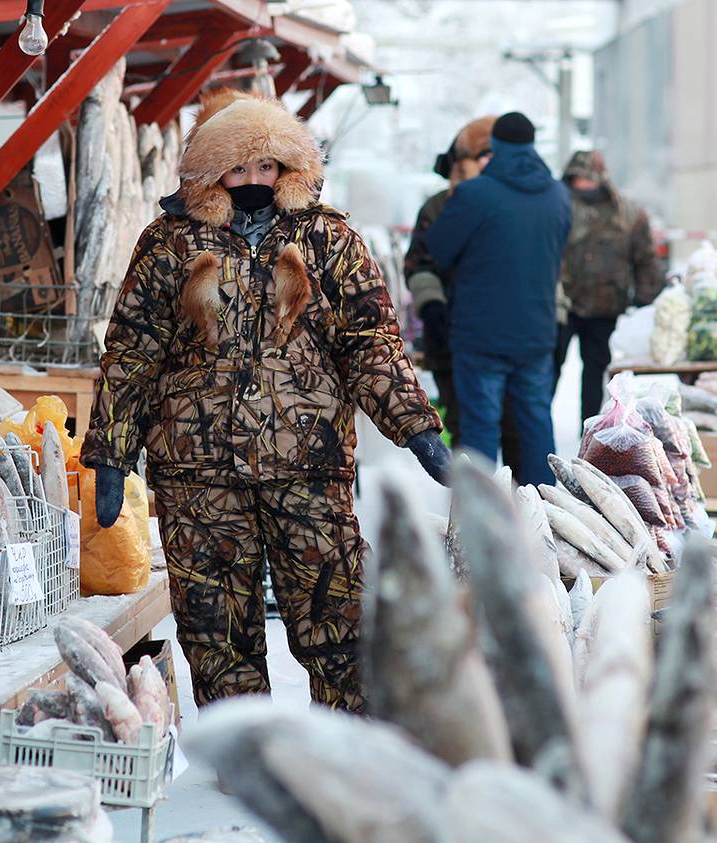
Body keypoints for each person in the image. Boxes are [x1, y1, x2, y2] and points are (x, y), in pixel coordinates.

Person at [81, 90, 447, 713]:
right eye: (238, 168)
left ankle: (344, 737)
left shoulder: (329, 240)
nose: (254, 181)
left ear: (288, 169)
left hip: (309, 464)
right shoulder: (169, 243)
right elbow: (132, 353)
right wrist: (113, 451)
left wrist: (416, 427)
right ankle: (242, 746)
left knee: (336, 610)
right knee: (214, 622)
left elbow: (370, 342)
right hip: (197, 474)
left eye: (266, 167)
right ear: (212, 171)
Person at [424, 112, 571, 484]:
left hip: (479, 335)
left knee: (479, 434)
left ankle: (479, 529)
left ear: (498, 146)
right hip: (536, 333)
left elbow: (437, 248)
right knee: (537, 429)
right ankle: (546, 518)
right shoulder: (558, 195)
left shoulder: (475, 195)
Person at [404, 115, 497, 451]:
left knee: (512, 431)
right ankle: (471, 501)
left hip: (506, 337)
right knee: (464, 430)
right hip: (450, 336)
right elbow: (418, 262)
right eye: (481, 156)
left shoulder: (513, 205)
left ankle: (521, 502)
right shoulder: (438, 207)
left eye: (493, 155)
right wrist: (431, 305)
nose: (488, 163)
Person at [557, 150, 664, 419]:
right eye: (578, 178)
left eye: (588, 178)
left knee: (596, 374)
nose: (583, 184)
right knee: (547, 372)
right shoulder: (557, 206)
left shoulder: (627, 212)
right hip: (561, 305)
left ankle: (590, 431)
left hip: (605, 306)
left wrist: (644, 299)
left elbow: (646, 259)